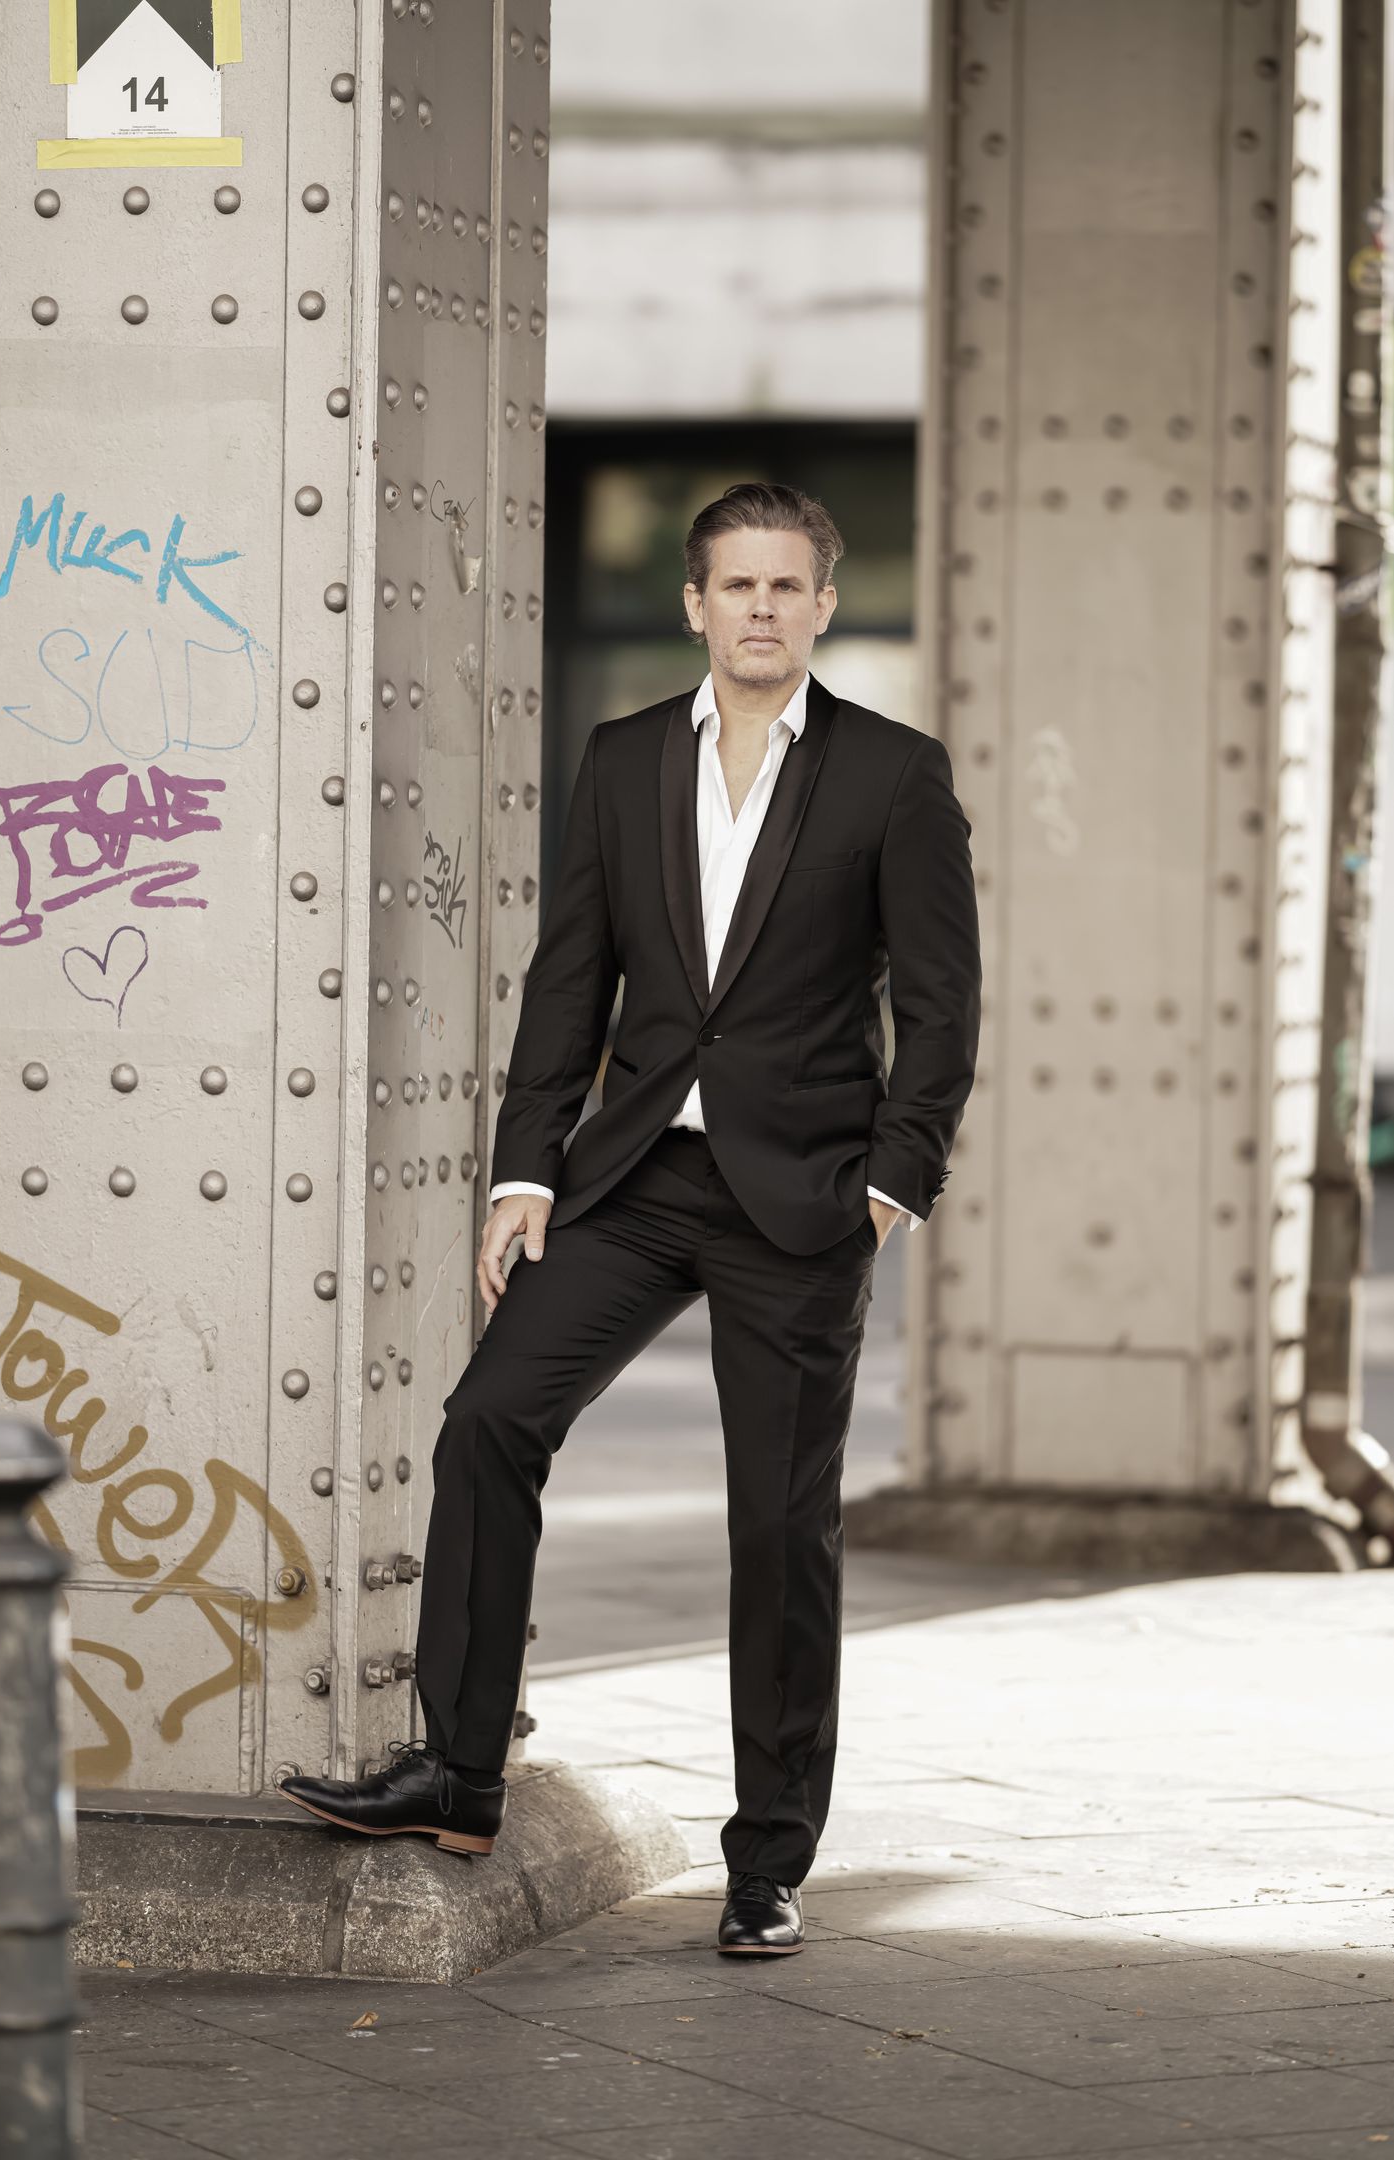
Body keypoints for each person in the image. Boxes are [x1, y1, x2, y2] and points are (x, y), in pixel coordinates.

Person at [281, 481, 981, 1956]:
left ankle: (766, 1860)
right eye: (737, 586)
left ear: (822, 605)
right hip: (635, 1176)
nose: (761, 609)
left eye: (786, 586)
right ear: (694, 605)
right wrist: (524, 1172)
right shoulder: (621, 759)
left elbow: (941, 1004)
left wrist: (889, 1187)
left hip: (803, 1201)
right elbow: (570, 978)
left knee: (777, 1526)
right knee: (489, 1420)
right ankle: (460, 1774)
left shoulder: (891, 775)